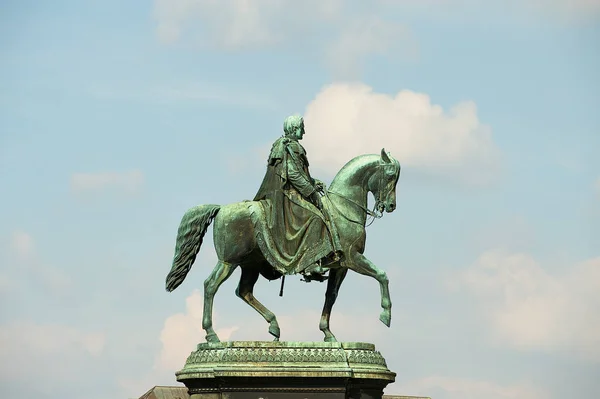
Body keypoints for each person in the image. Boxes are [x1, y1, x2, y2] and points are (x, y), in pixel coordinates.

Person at [254, 115, 342, 281]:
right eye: (301, 127)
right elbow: (293, 174)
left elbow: (299, 173)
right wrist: (311, 191)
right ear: (294, 129)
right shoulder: (291, 146)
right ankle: (308, 264)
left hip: (288, 190)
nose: (304, 131)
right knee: (316, 218)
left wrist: (314, 182)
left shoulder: (283, 144)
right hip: (287, 194)